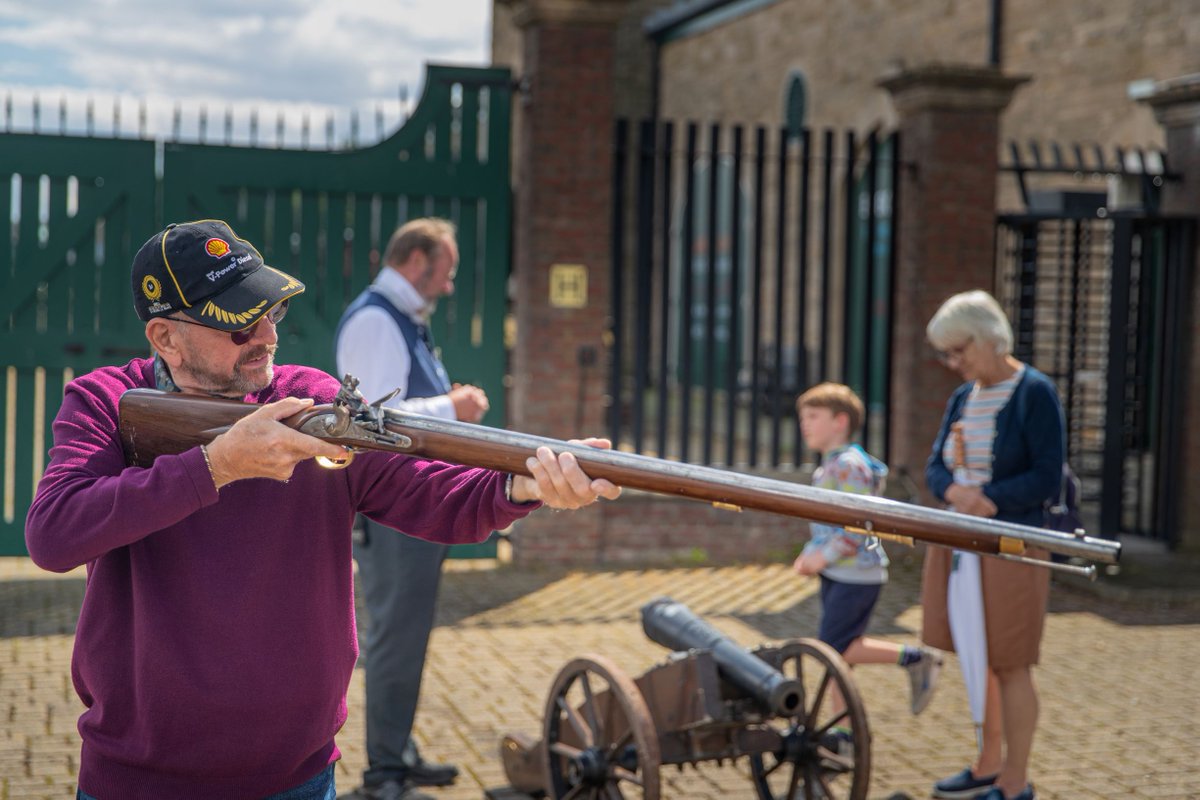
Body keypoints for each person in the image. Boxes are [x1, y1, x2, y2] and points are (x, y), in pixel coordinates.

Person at [23, 219, 621, 800]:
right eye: (238, 326)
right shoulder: (105, 400)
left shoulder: (311, 395)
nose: (266, 337)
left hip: (299, 775)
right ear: (164, 338)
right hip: (140, 777)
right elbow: (53, 535)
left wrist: (524, 487)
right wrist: (216, 466)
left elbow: (431, 495)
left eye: (270, 312)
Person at [334, 218, 487, 800]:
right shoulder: (377, 319)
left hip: (411, 509)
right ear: (418, 261)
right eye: (445, 271)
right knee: (396, 635)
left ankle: (399, 750)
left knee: (408, 632)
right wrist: (454, 405)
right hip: (392, 512)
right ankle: (383, 773)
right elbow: (377, 420)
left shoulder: (402, 320)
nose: (448, 286)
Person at [923, 290, 1065, 800]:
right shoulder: (963, 397)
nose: (953, 362)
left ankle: (1014, 780)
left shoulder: (1034, 392)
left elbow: (1048, 476)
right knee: (977, 657)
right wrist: (952, 489)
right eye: (947, 353)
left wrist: (989, 498)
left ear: (988, 337)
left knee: (1010, 662)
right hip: (963, 544)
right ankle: (986, 763)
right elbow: (935, 466)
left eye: (960, 350)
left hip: (1013, 545)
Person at [792, 382, 943, 731]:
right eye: (803, 417)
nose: (805, 424)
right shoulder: (832, 466)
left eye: (814, 416)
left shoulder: (848, 466)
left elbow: (857, 525)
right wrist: (811, 553)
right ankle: (842, 734)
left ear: (840, 421)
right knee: (840, 660)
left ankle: (916, 658)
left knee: (833, 650)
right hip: (840, 574)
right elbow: (828, 524)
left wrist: (821, 557)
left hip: (856, 575)